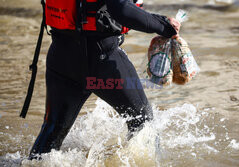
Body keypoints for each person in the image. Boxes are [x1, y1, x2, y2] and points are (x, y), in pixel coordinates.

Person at [28, 0, 180, 159]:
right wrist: (163, 25)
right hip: (102, 60)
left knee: (52, 130)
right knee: (143, 121)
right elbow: (121, 9)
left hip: (61, 58)